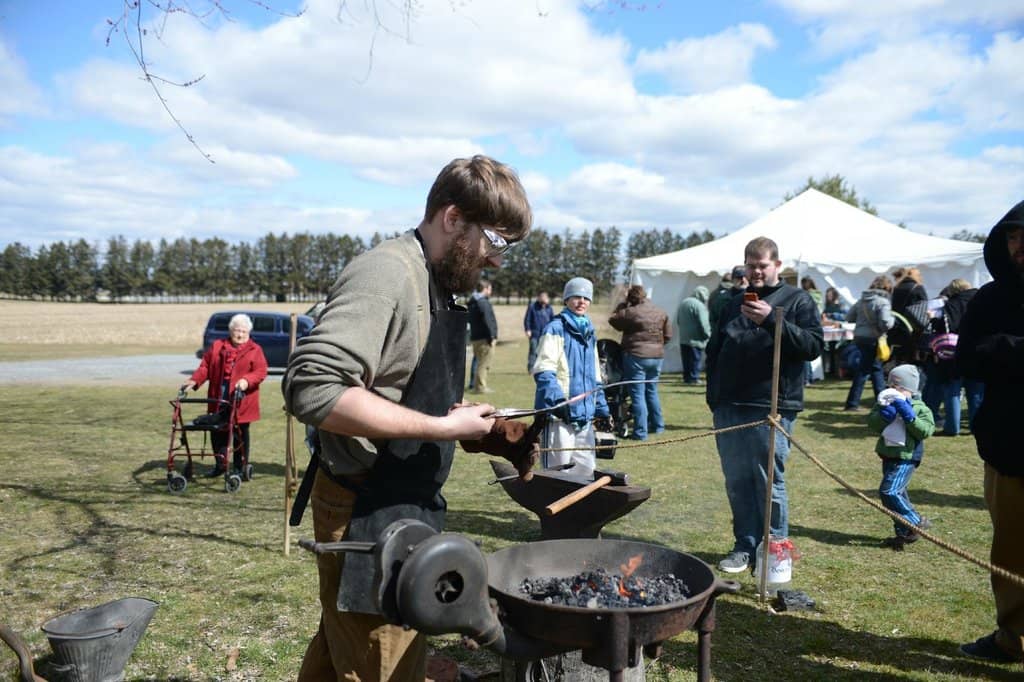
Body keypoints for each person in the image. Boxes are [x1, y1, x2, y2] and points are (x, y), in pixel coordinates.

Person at [281, 155, 537, 682]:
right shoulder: (388, 272)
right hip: (365, 505)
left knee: (345, 649)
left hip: (406, 497)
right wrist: (441, 428)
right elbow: (313, 387)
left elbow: (399, 387)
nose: (495, 260)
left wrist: (468, 423)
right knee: (384, 660)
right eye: (495, 241)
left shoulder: (437, 281)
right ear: (452, 218)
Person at [705, 237, 824, 573]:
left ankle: (773, 551)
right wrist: (714, 396)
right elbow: (714, 349)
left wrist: (773, 319)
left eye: (762, 265)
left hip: (771, 406)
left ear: (777, 266)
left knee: (768, 480)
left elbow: (813, 345)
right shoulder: (733, 302)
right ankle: (744, 544)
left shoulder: (796, 300)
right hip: (730, 404)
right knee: (736, 479)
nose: (755, 271)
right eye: (750, 265)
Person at [956, 199, 1024, 664]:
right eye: (1014, 237)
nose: (1020, 246)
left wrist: (1005, 351)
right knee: (1011, 549)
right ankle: (1013, 637)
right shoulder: (991, 298)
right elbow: (966, 358)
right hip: (1010, 444)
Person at [533, 277, 610, 477]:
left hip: (585, 417)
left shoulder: (589, 332)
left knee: (586, 471)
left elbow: (595, 376)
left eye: (586, 297)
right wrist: (558, 402)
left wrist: (601, 409)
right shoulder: (555, 328)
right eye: (576, 296)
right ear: (567, 300)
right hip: (558, 417)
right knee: (557, 473)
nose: (581, 301)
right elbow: (543, 370)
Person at [181, 313, 268, 477]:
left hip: (242, 397)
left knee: (239, 431)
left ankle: (239, 467)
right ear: (230, 331)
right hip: (219, 393)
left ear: (249, 332)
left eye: (244, 331)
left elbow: (260, 371)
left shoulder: (255, 350)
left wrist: (246, 381)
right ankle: (220, 465)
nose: (240, 334)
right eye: (237, 331)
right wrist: (194, 381)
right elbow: (205, 367)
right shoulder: (217, 346)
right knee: (217, 430)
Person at [866, 364, 935, 550]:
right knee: (896, 496)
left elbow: (926, 431)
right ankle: (904, 534)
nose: (893, 391)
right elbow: (872, 424)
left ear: (909, 389)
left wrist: (910, 416)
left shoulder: (920, 408)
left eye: (898, 388)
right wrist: (883, 416)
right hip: (888, 455)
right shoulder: (883, 404)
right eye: (890, 386)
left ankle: (915, 521)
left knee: (889, 492)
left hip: (906, 457)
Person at [608, 285, 672, 441]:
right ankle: (658, 426)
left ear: (632, 298)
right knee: (652, 391)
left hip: (636, 356)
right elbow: (668, 336)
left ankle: (640, 432)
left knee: (637, 395)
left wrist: (623, 303)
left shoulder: (630, 312)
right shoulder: (661, 312)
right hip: (657, 356)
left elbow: (613, 319)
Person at [922, 279, 983, 436]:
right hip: (978, 351)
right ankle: (976, 427)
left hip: (954, 353)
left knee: (953, 392)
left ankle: (952, 427)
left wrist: (933, 319)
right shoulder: (981, 299)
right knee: (975, 393)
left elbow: (946, 327)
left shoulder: (951, 304)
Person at [843, 275, 895, 411]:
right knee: (871, 370)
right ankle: (878, 402)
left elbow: (849, 317)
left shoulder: (861, 301)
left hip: (860, 337)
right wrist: (893, 320)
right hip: (874, 338)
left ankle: (859, 402)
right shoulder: (883, 302)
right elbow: (885, 323)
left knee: (870, 369)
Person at [890, 267, 929, 364]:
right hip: (913, 326)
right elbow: (925, 306)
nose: (921, 277)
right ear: (912, 275)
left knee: (899, 353)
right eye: (919, 275)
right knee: (912, 355)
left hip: (897, 324)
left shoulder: (896, 288)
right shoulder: (917, 288)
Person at [675, 285, 711, 385]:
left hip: (683, 337)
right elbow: (704, 323)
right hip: (695, 338)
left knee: (686, 360)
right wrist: (708, 335)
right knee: (695, 359)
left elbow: (678, 320)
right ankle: (694, 378)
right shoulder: (699, 305)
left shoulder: (684, 302)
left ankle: (687, 378)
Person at [467, 279, 498, 393]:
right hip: (484, 338)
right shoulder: (483, 302)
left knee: (479, 362)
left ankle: (476, 385)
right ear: (485, 289)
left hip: (475, 336)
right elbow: (488, 320)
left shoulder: (472, 301)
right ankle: (480, 387)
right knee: (484, 363)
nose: (490, 291)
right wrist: (492, 336)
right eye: (489, 289)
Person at [708, 265, 746, 331]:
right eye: (739, 277)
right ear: (733, 279)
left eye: (745, 276)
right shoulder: (722, 298)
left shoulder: (755, 297)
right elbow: (713, 319)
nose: (743, 280)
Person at [523, 291, 553, 372]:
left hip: (546, 334)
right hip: (534, 334)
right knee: (533, 351)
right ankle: (531, 368)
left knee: (545, 352)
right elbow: (527, 319)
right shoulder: (532, 307)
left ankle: (543, 368)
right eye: (542, 297)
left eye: (545, 297)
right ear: (538, 298)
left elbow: (552, 320)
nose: (544, 299)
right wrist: (527, 329)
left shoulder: (549, 308)